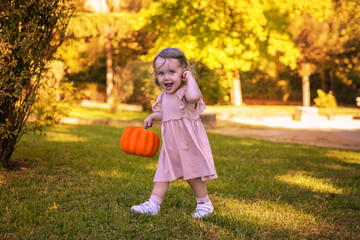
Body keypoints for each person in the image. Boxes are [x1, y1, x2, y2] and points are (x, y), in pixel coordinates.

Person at [131, 48, 217, 218]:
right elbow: (169, 115)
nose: (166, 77)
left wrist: (190, 79)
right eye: (161, 73)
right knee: (162, 174)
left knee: (193, 175)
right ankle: (154, 204)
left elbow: (194, 98)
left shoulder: (186, 92)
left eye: (172, 72)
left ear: (183, 72)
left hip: (188, 143)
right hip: (170, 144)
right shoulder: (163, 96)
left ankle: (204, 203)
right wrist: (154, 116)